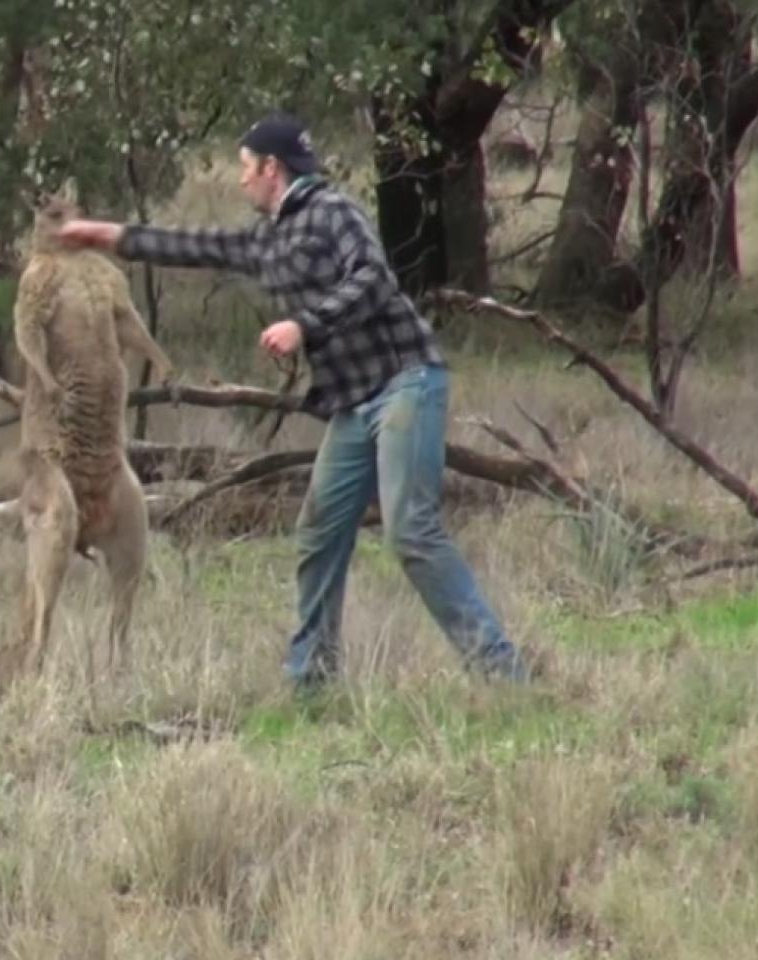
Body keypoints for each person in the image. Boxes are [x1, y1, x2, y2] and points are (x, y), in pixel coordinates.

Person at [58, 110, 529, 688]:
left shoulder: (334, 213)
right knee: (319, 531)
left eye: (245, 168)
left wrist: (304, 325)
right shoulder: (270, 237)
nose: (240, 180)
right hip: (354, 402)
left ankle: (504, 676)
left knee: (410, 531)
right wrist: (106, 235)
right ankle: (312, 682)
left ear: (272, 168)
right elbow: (195, 245)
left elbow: (374, 280)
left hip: (406, 381)